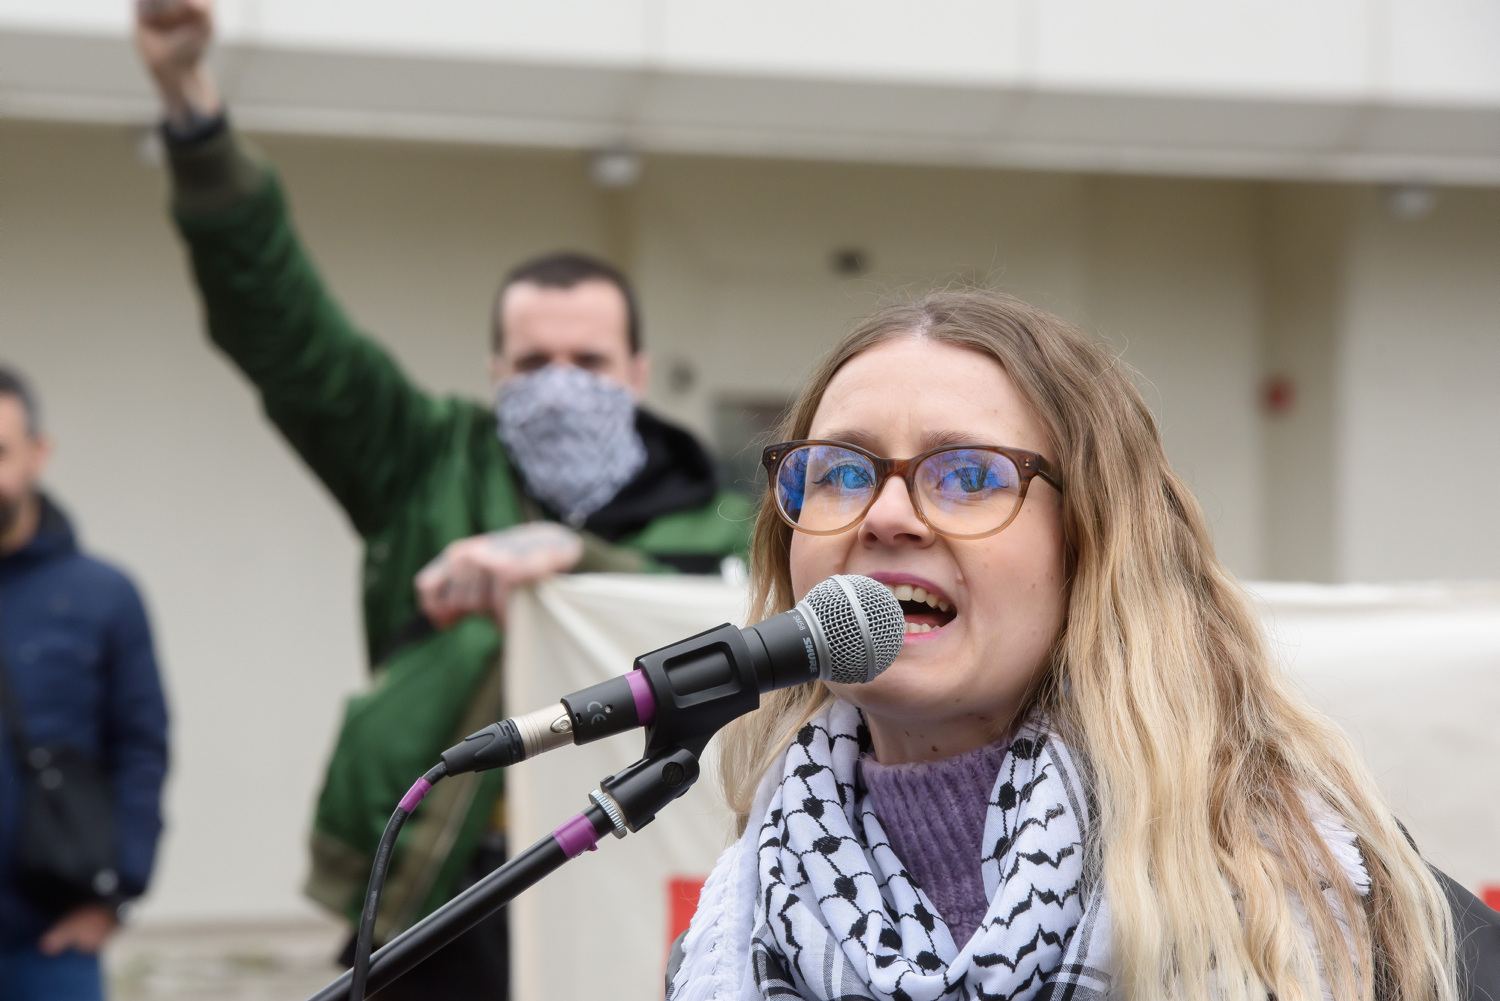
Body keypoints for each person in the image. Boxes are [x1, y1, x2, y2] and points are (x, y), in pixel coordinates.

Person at [133, 2, 752, 996]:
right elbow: (283, 329)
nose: (562, 385)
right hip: (441, 891)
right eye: (534, 361)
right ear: (495, 371)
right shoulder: (421, 462)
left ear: (636, 373)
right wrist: (190, 108)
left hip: (625, 887)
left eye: (589, 360)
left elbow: (733, 638)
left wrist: (573, 565)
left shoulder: (722, 520)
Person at [666, 289, 1475, 1001]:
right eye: (840, 472)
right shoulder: (728, 943)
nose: (886, 515)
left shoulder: (1343, 910)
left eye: (969, 475)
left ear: (1092, 542)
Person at [0, 367, 170, 1001]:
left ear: (38, 453)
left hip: (49, 945)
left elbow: (141, 749)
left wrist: (115, 895)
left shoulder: (103, 596)